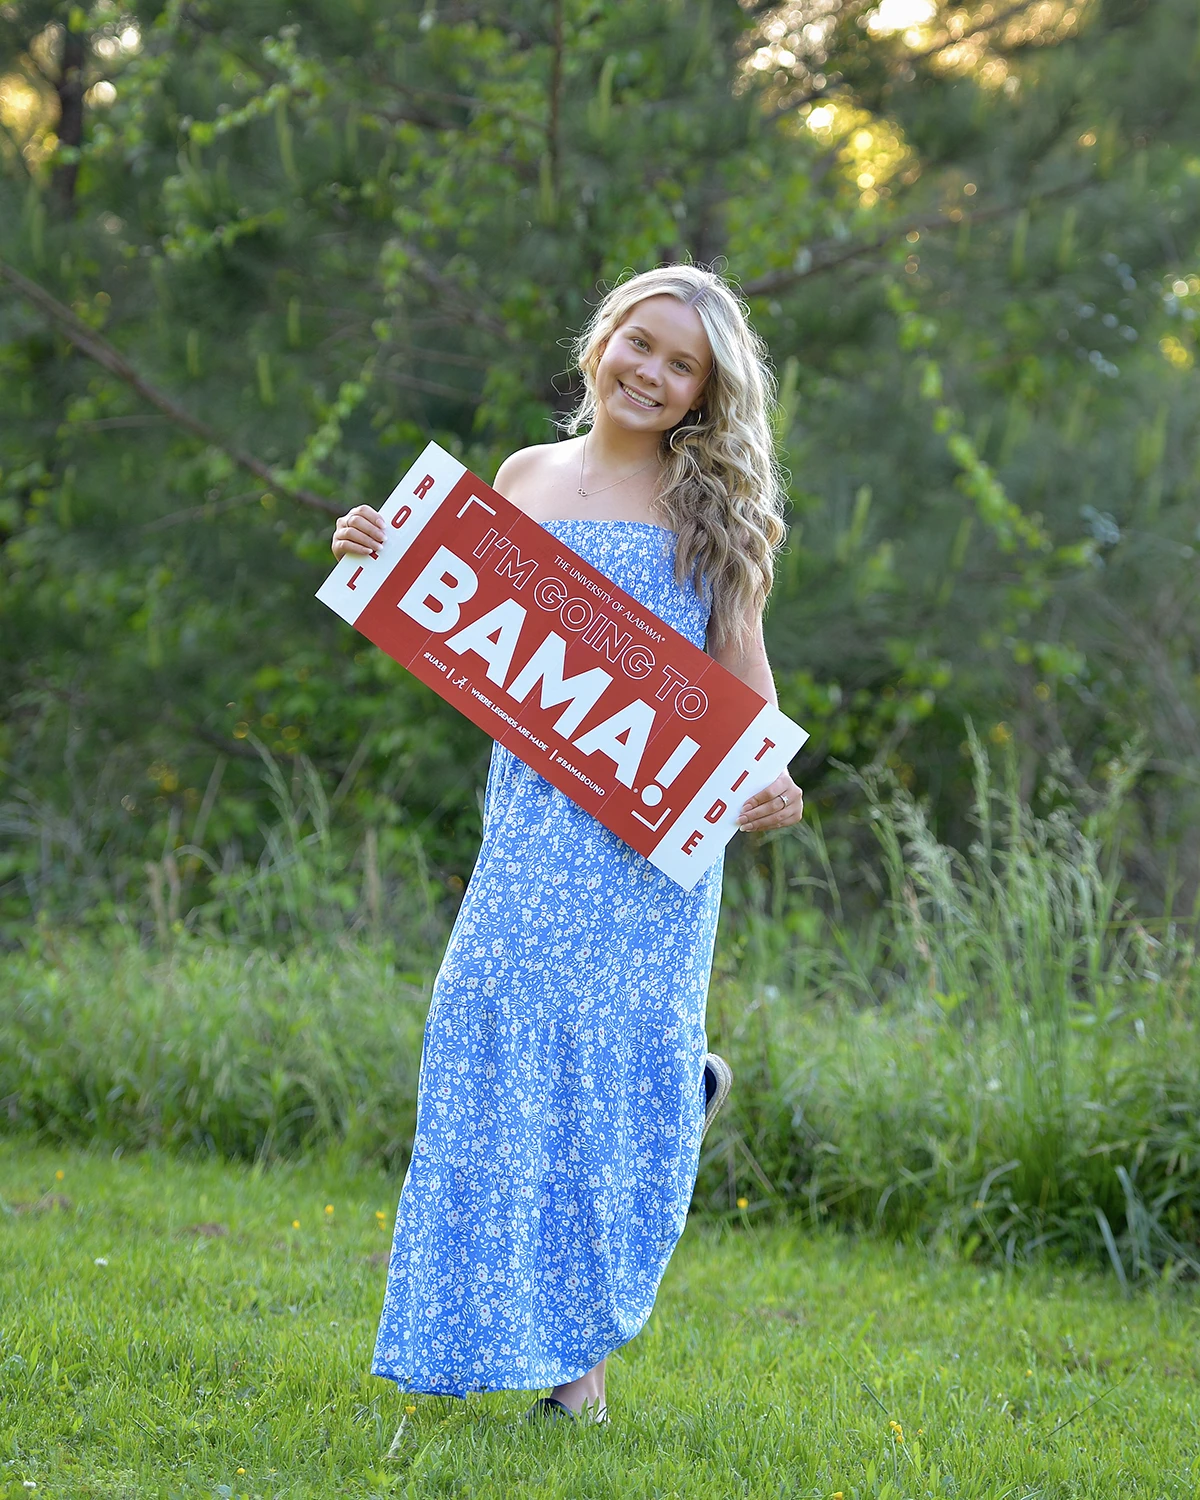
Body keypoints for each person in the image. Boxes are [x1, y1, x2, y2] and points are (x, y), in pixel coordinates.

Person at [330, 264, 804, 1426]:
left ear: (703, 393)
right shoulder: (523, 479)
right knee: (482, 1020)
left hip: (648, 838)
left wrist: (768, 770)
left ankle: (577, 1374)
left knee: (596, 1069)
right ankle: (669, 1098)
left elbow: (741, 665)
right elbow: (475, 649)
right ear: (602, 343)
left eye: (680, 364)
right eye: (640, 345)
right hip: (534, 820)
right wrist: (382, 554)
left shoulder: (718, 511)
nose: (651, 372)